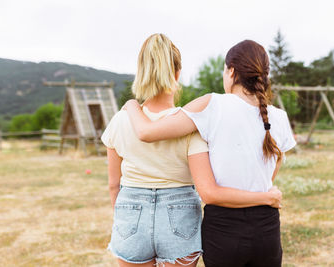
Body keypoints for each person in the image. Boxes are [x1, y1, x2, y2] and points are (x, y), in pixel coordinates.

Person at [101, 35, 283, 267]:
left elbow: (113, 184)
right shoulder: (192, 125)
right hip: (180, 215)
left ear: (141, 72)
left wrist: (123, 218)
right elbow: (204, 184)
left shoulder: (120, 121)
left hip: (130, 211)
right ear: (177, 74)